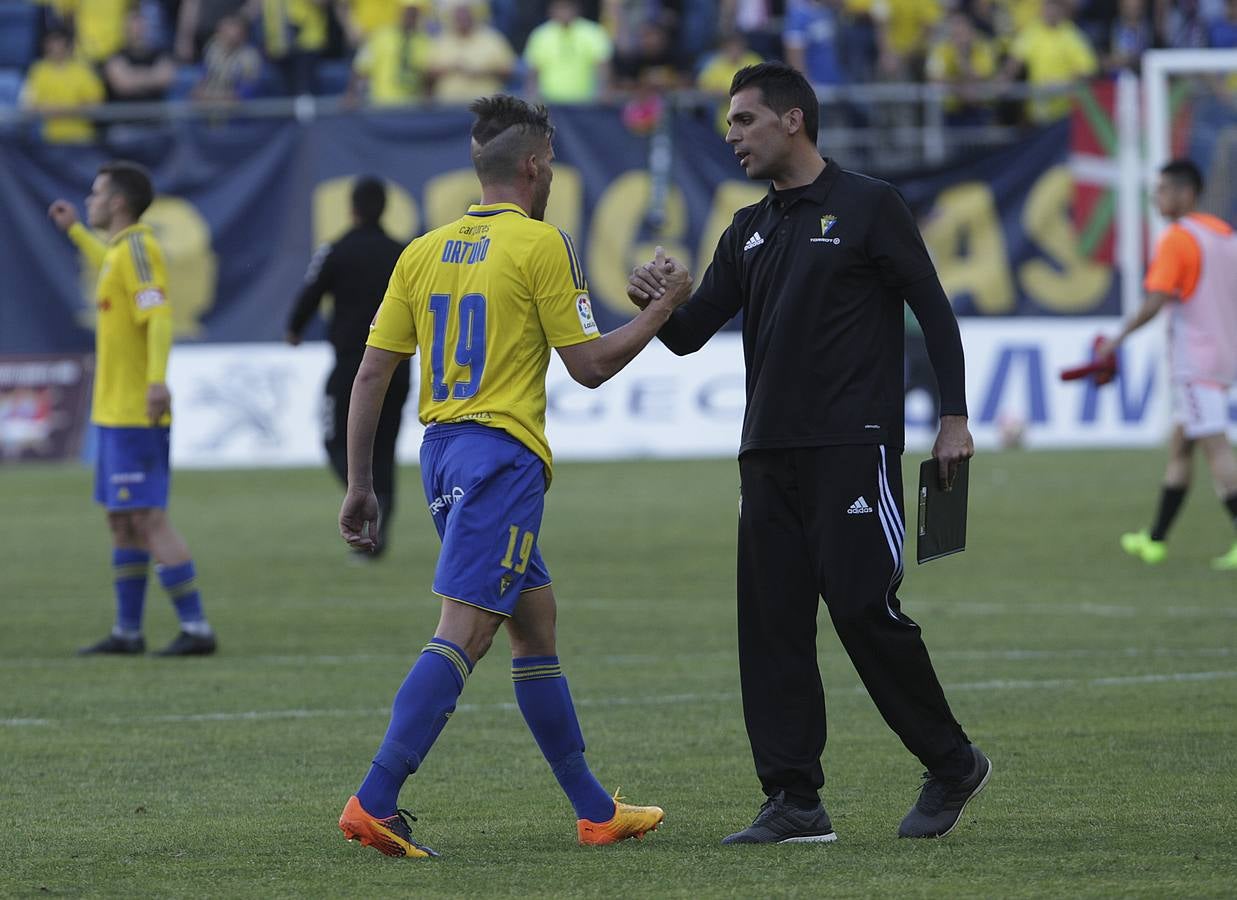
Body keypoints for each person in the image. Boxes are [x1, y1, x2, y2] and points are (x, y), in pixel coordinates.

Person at [627, 62, 990, 843]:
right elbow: (690, 336)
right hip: (765, 453)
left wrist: (954, 416)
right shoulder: (747, 228)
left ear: (792, 120)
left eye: (743, 121)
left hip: (851, 447)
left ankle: (952, 762)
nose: (731, 137)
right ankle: (793, 802)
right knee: (771, 626)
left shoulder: (868, 205)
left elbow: (933, 306)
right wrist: (660, 301)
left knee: (863, 608)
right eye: (728, 124)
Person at [335, 94, 691, 857]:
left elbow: (370, 376)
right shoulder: (541, 244)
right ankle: (375, 797)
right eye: (553, 163)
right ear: (534, 166)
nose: (553, 174)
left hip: (440, 455)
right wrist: (661, 311)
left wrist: (360, 483)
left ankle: (595, 810)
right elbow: (589, 366)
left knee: (535, 623)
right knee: (465, 631)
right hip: (501, 458)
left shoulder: (422, 250)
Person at [48, 161, 218, 657]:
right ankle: (127, 632)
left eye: (96, 194)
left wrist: (157, 382)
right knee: (121, 521)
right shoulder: (121, 252)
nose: (89, 200)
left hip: (136, 413)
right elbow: (113, 265)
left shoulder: (140, 248)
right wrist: (75, 231)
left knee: (148, 520)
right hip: (113, 413)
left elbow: (158, 314)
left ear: (118, 202)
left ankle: (197, 628)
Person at [1100, 160, 1237, 571]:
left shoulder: (1177, 239)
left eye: (1161, 190)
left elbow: (1157, 300)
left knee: (1216, 448)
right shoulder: (1224, 234)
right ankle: (1155, 539)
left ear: (1184, 193)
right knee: (1182, 444)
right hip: (1225, 355)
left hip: (1195, 361)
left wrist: (1117, 339)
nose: (1156, 199)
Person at [285, 177, 409, 558]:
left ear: (352, 209)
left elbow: (311, 291)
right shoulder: (402, 253)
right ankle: (380, 506)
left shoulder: (337, 250)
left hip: (353, 367)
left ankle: (363, 496)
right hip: (399, 365)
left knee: (333, 439)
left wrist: (294, 329)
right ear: (385, 208)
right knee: (384, 444)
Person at [20, 27, 105, 144]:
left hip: (81, 139)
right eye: (52, 43)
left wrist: (58, 110)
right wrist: (71, 109)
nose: (56, 48)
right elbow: (28, 106)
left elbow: (95, 106)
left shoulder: (83, 70)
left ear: (67, 45)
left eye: (59, 43)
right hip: (46, 141)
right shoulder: (38, 71)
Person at [522, 0, 613, 104]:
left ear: (577, 8)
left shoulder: (593, 32)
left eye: (568, 7)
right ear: (551, 9)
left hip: (585, 104)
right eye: (560, 7)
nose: (564, 12)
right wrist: (532, 97)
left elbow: (603, 67)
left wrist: (603, 92)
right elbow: (533, 71)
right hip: (550, 105)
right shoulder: (540, 35)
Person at [103, 10, 177, 103]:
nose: (138, 32)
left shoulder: (162, 55)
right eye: (134, 27)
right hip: (123, 115)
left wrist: (132, 76)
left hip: (156, 115)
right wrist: (152, 76)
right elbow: (123, 84)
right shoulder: (115, 57)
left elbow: (166, 79)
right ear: (126, 29)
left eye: (141, 27)